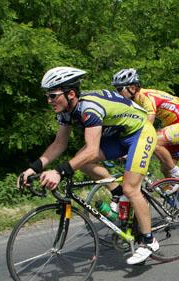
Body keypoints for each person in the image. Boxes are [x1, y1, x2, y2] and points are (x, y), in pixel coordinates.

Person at [18, 67, 159, 265]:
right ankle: (117, 192)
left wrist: (59, 171)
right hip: (119, 135)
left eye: (52, 96)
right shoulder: (66, 112)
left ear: (70, 94)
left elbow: (92, 150)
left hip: (140, 132)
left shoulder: (89, 109)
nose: (49, 101)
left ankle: (149, 241)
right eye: (47, 96)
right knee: (81, 161)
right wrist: (32, 168)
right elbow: (59, 144)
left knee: (131, 188)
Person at [111, 68, 179, 181]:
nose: (118, 93)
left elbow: (149, 123)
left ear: (132, 88)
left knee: (153, 141)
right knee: (165, 169)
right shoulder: (133, 101)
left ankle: (178, 175)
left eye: (120, 89)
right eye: (116, 89)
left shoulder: (144, 97)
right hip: (172, 126)